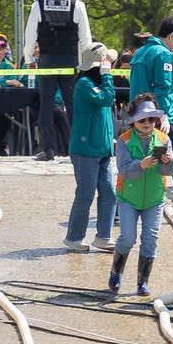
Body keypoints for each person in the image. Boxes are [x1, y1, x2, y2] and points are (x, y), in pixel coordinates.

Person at [128, 17, 173, 214]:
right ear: (171, 35)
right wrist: (164, 116)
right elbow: (164, 89)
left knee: (142, 158)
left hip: (139, 116)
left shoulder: (141, 52)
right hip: (159, 119)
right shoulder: (163, 54)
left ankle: (127, 205)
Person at [111, 98, 173, 295]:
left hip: (155, 198)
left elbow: (170, 170)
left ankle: (142, 282)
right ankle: (116, 272)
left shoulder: (163, 139)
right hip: (128, 198)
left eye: (151, 119)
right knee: (127, 238)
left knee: (150, 239)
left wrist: (168, 161)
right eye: (142, 120)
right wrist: (141, 165)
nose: (147, 123)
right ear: (134, 121)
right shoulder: (124, 140)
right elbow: (124, 170)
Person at [25, 0, 92, 162]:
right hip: (70, 61)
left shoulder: (39, 4)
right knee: (73, 105)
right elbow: (86, 40)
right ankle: (76, 149)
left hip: (46, 60)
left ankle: (48, 149)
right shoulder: (77, 5)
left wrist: (29, 60)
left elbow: (30, 36)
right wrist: (87, 65)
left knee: (46, 105)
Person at [65, 41, 116, 251]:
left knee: (109, 192)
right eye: (106, 63)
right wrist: (107, 76)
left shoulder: (98, 84)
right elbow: (107, 99)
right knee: (85, 193)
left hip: (102, 149)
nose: (110, 65)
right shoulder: (84, 84)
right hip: (85, 150)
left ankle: (103, 236)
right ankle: (74, 238)